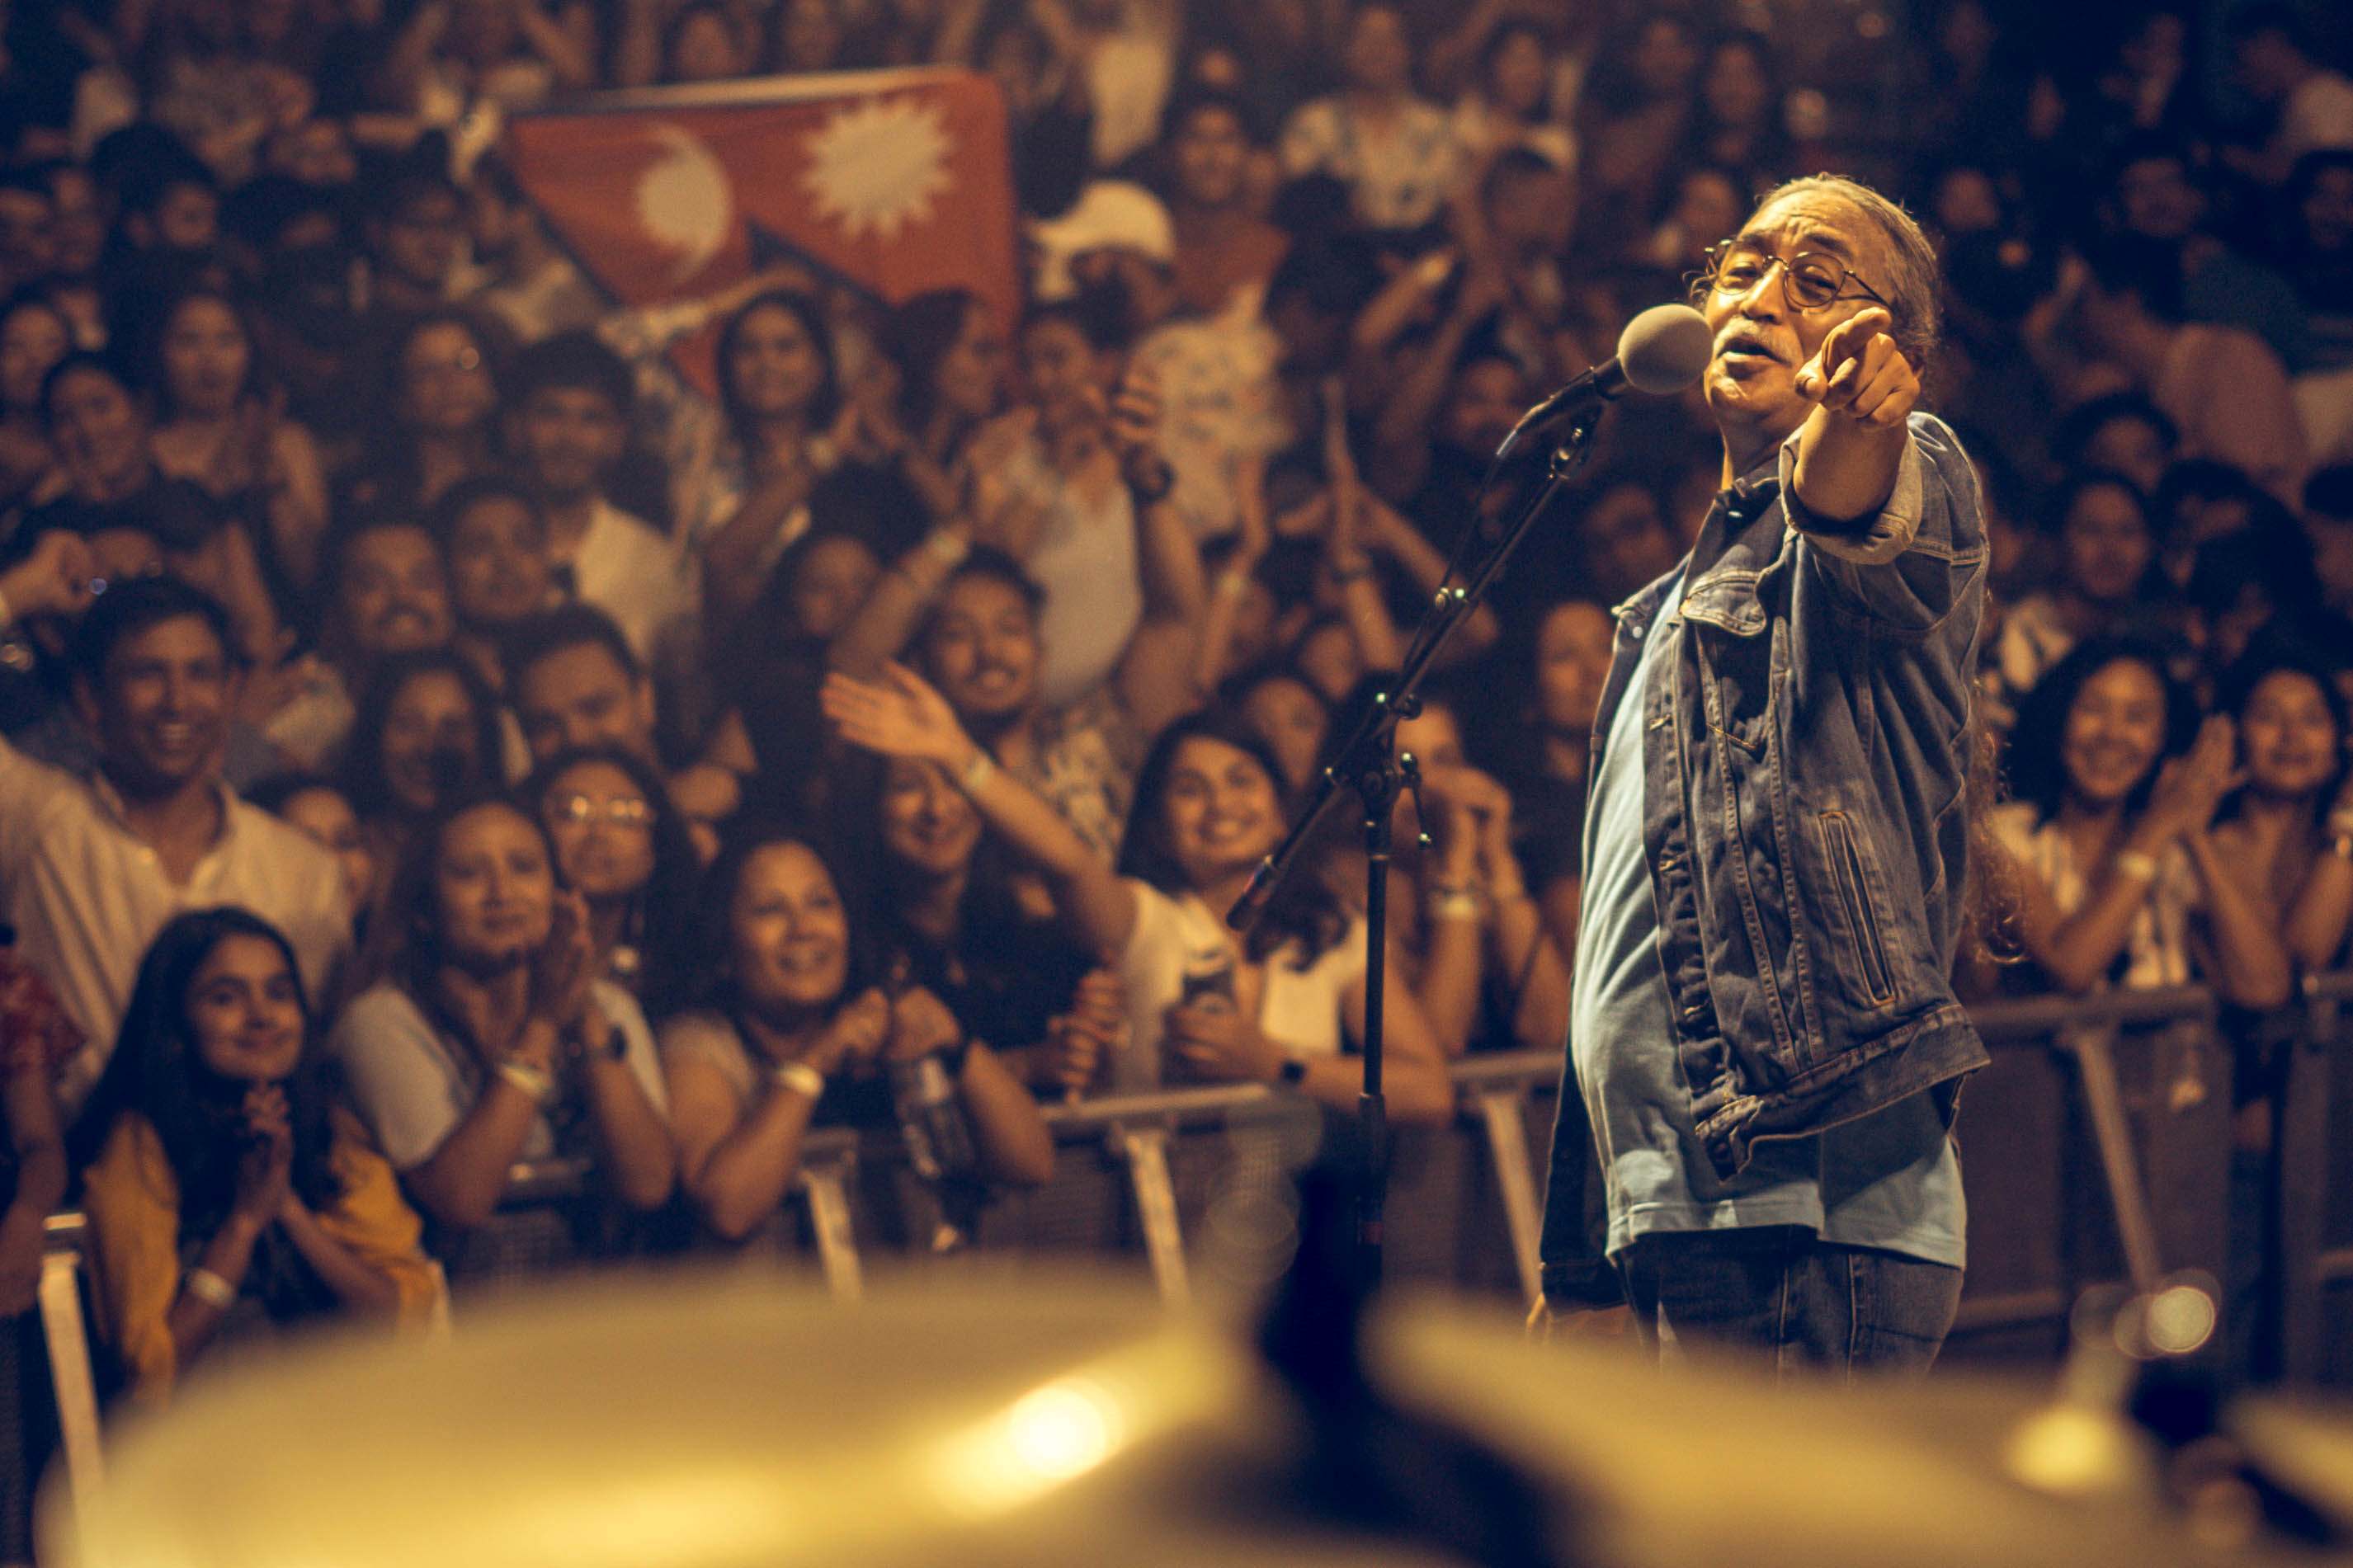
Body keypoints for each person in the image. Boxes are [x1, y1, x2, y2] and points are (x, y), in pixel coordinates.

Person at [1535, 176, 1986, 1376]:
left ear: (1903, 347)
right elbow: (1626, 954)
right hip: (1677, 1218)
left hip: (1804, 1215)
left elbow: (1853, 495)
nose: (1764, 293)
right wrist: (1581, 1258)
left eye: (1819, 277)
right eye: (1740, 268)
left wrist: (1866, 422)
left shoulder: (1906, 458)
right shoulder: (1658, 615)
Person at [823, 675, 1455, 1119]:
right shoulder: (1143, 919)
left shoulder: (1329, 930)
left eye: (1241, 780)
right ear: (1155, 824)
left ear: (1277, 813)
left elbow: (1427, 1090)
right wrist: (960, 758)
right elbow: (1066, 858)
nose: (1220, 805)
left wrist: (1274, 1062)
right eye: (1190, 788)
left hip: (1300, 1219)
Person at [0, 563, 350, 1110]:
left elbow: (315, 1053)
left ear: (232, 691)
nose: (177, 701)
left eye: (200, 673)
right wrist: (21, 589)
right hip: (79, 1178)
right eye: (147, 673)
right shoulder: (38, 820)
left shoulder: (303, 869)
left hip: (249, 1177)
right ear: (90, 698)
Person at [71, 908, 441, 1406]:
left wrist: (286, 1208)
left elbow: (404, 1318)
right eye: (226, 997)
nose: (261, 1015)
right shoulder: (141, 1143)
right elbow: (153, 1372)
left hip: (341, 1432)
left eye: (279, 992)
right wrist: (243, 1225)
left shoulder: (325, 1128)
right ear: (176, 1020)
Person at [659, 824, 1054, 1243]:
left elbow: (1032, 1165)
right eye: (771, 910)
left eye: (820, 903)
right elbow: (728, 1208)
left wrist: (956, 1047)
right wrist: (815, 1063)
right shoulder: (701, 1042)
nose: (804, 928)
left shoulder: (884, 1016)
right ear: (723, 946)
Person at [330, 794, 675, 1257]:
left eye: (524, 867)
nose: (502, 892)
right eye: (469, 874)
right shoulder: (381, 1021)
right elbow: (461, 1199)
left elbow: (649, 1184)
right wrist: (542, 1025)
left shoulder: (609, 1006)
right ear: (425, 908)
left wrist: (581, 1006)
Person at [1992, 638, 2291, 1008]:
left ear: (2163, 739)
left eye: (2137, 717)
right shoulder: (2005, 837)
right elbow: (2072, 968)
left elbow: (2265, 987)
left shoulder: (2177, 855)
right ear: (2059, 718)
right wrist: (2156, 826)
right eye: (2093, 709)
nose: (2112, 735)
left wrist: (2196, 837)